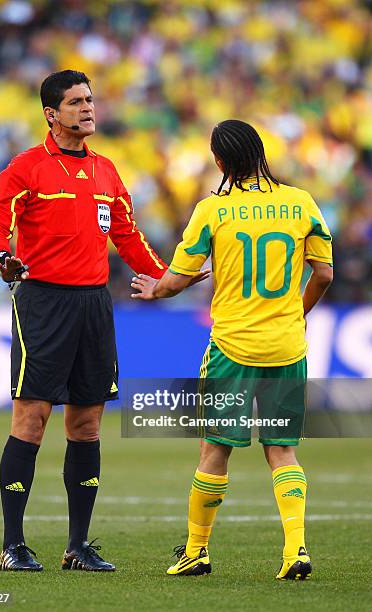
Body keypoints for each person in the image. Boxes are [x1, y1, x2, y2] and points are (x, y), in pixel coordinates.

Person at [0, 69, 177, 572]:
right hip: (43, 303)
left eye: (90, 99)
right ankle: (12, 545)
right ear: (52, 114)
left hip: (94, 304)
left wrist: (170, 277)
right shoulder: (24, 169)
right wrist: (2, 259)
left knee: (87, 425)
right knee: (32, 419)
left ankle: (78, 545)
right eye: (76, 102)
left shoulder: (108, 172)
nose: (88, 108)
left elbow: (130, 239)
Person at [131, 119, 333, 580]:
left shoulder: (212, 210)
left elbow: (179, 278)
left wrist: (155, 291)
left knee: (214, 449)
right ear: (261, 153)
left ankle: (196, 552)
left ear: (219, 163)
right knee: (282, 449)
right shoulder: (301, 203)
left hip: (233, 347)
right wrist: (297, 314)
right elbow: (324, 275)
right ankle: (295, 549)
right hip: (287, 346)